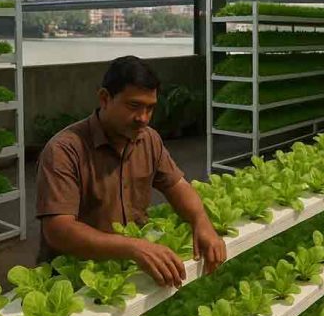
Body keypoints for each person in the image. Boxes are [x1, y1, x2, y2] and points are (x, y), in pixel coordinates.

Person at [36, 55, 226, 288]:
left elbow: (177, 185)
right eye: (134, 106)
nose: (143, 118)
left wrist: (201, 221)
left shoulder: (149, 140)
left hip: (124, 271)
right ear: (105, 98)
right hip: (73, 279)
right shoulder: (64, 150)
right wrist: (134, 247)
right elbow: (58, 229)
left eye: (150, 108)